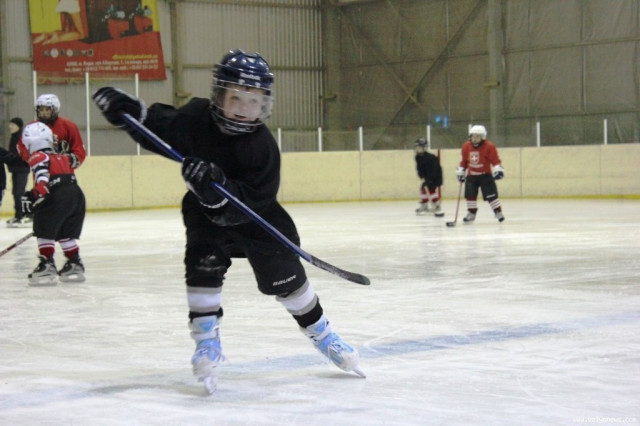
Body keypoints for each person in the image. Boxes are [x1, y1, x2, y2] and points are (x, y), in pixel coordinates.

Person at [93, 49, 365, 393]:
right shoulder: (196, 118)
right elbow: (161, 129)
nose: (243, 108)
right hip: (204, 213)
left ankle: (322, 334)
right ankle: (206, 341)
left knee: (285, 277)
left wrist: (219, 188)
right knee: (202, 262)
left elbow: (256, 199)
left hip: (256, 215)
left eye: (253, 101)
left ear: (264, 103)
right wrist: (130, 114)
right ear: (219, 95)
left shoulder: (263, 148)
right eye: (235, 98)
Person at [19, 122, 86, 286]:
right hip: (77, 196)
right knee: (64, 232)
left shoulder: (37, 157)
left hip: (58, 196)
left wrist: (32, 196)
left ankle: (47, 264)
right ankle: (74, 262)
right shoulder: (63, 157)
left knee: (43, 228)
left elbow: (42, 181)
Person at [17, 94, 87, 171]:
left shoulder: (68, 126)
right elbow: (21, 145)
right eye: (41, 110)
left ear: (55, 110)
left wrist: (66, 161)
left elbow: (79, 150)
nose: (44, 113)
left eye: (47, 110)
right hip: (41, 170)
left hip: (64, 171)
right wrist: (32, 158)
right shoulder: (31, 127)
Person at [456, 125, 505, 223]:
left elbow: (495, 160)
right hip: (471, 176)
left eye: (477, 136)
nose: (474, 138)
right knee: (470, 195)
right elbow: (464, 161)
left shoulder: (489, 146)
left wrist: (498, 169)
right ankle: (471, 213)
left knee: (491, 196)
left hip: (485, 175)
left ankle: (498, 212)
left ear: (482, 137)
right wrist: (461, 172)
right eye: (473, 136)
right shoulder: (466, 146)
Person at [0, 117, 33, 227]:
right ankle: (18, 215)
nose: (10, 126)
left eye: (12, 124)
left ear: (18, 126)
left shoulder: (21, 137)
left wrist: (6, 158)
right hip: (16, 169)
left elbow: (19, 154)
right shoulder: (14, 137)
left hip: (22, 169)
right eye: (10, 124)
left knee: (19, 192)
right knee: (16, 192)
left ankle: (23, 216)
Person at [414, 138, 443, 216]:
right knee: (423, 188)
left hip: (435, 176)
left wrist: (429, 180)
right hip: (427, 176)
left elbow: (434, 170)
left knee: (431, 189)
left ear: (425, 148)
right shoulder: (417, 157)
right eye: (417, 147)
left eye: (420, 147)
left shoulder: (431, 158)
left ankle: (436, 205)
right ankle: (424, 205)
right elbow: (419, 167)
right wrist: (420, 174)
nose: (418, 149)